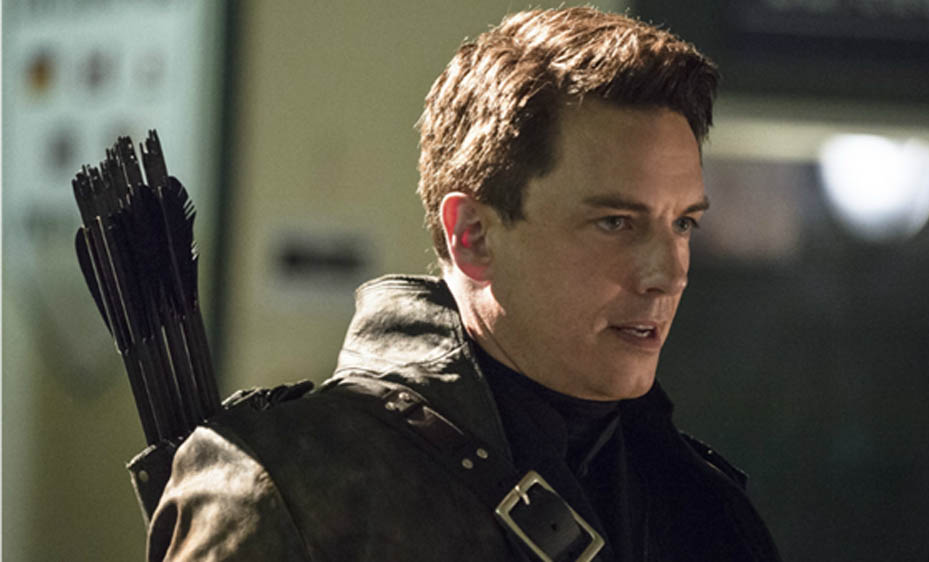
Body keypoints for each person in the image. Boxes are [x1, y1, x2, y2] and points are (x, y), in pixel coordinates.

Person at [147, 7, 781, 561]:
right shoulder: (289, 486)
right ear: (472, 235)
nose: (667, 274)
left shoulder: (701, 509)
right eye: (615, 222)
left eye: (683, 223)